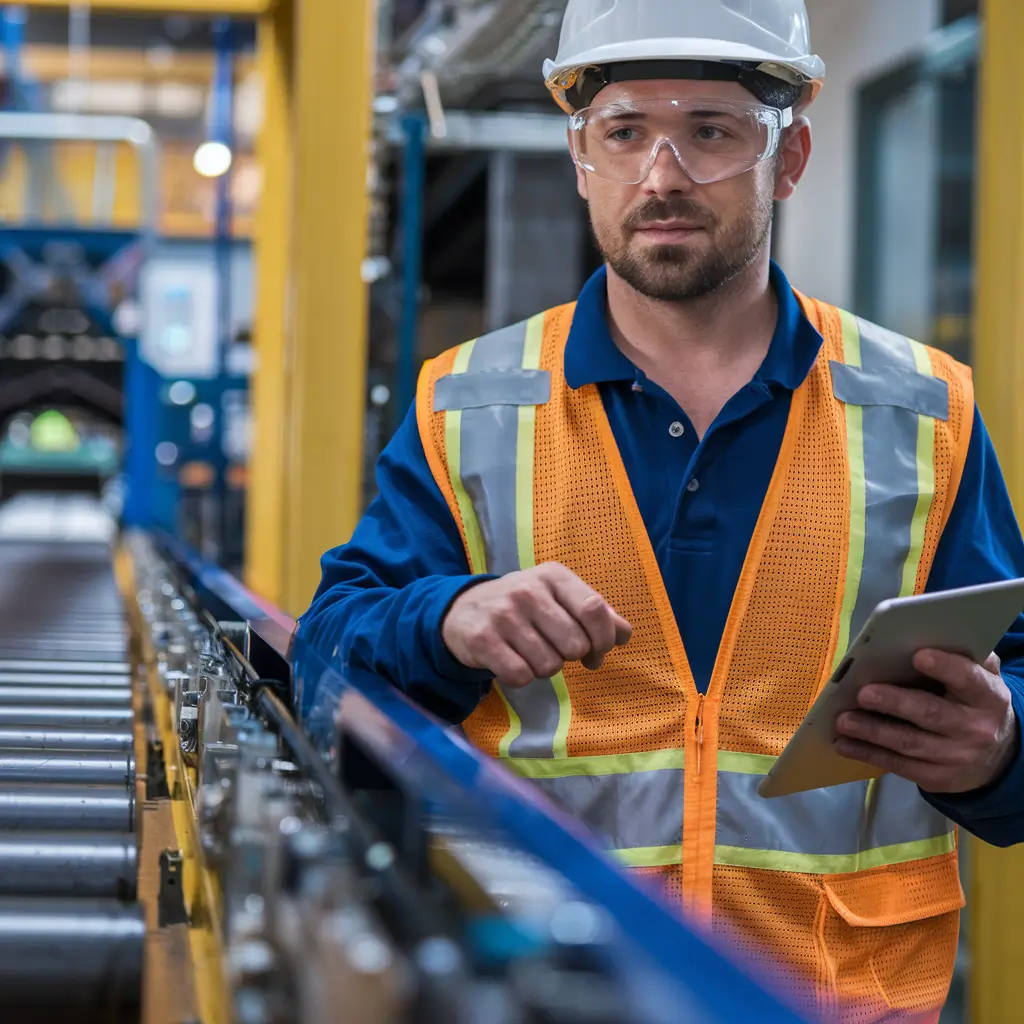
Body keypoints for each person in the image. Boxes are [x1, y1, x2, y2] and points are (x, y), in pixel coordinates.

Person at [300, 1, 1024, 1018]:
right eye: (626, 131)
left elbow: (1014, 670)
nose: (663, 174)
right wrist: (448, 618)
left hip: (831, 999)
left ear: (790, 154)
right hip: (540, 988)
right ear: (581, 154)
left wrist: (1000, 743)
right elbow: (322, 658)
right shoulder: (468, 400)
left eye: (711, 131)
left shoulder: (921, 408)